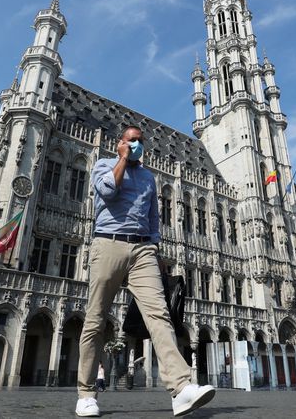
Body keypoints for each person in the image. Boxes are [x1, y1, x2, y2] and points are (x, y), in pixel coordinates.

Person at [75, 125, 215, 418]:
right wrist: (122, 159)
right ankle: (86, 394)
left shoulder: (149, 178)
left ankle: (180, 388)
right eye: (132, 141)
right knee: (95, 319)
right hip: (108, 243)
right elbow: (108, 191)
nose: (136, 145)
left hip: (143, 250)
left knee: (160, 315)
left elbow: (153, 219)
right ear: (120, 143)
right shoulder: (104, 164)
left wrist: (155, 250)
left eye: (140, 141)